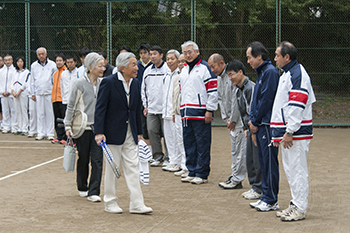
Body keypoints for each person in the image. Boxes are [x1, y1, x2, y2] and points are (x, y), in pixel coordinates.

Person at [94, 52, 153, 214]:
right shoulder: (108, 83)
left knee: (133, 167)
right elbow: (100, 109)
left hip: (130, 133)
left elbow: (135, 110)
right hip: (112, 134)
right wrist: (99, 132)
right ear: (122, 68)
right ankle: (110, 202)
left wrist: (139, 132)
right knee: (113, 169)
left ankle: (137, 203)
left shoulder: (135, 83)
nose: (137, 67)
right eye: (133, 64)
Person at [271, 41, 316, 221]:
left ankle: (300, 208)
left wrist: (290, 131)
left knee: (297, 170)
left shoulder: (298, 74)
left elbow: (297, 105)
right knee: (291, 169)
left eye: (277, 55)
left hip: (296, 133)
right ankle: (295, 203)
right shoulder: (289, 73)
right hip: (290, 133)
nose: (275, 59)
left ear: (287, 57)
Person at [64, 52, 104, 202]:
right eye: (100, 66)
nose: (103, 68)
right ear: (90, 67)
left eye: (103, 65)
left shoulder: (103, 83)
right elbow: (71, 106)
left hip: (98, 129)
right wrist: (68, 125)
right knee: (83, 158)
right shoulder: (79, 83)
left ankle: (94, 191)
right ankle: (82, 186)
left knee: (97, 160)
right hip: (82, 128)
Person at [246, 41, 280, 211]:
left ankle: (271, 199)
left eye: (250, 57)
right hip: (260, 124)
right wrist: (252, 121)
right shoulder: (261, 72)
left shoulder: (270, 72)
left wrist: (256, 121)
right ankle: (266, 196)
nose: (248, 61)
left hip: (267, 124)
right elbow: (256, 101)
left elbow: (267, 100)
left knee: (268, 163)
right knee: (263, 162)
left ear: (259, 56)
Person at [179, 41, 218, 185]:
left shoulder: (205, 68)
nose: (188, 55)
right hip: (186, 113)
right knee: (189, 143)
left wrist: (209, 109)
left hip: (201, 112)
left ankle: (202, 173)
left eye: (190, 52)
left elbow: (213, 91)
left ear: (197, 51)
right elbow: (182, 90)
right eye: (185, 52)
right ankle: (192, 170)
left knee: (202, 143)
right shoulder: (183, 69)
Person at [208, 53, 246, 189]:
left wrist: (234, 119)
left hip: (239, 121)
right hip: (230, 121)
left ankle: (238, 178)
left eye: (213, 67)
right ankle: (235, 176)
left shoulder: (231, 76)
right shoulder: (219, 79)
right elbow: (221, 99)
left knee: (240, 150)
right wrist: (226, 118)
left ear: (221, 63)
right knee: (235, 150)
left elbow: (237, 100)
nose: (212, 70)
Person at [226, 60, 262, 200]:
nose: (230, 78)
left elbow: (252, 111)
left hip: (255, 128)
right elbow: (242, 111)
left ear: (241, 72)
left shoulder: (250, 88)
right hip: (248, 128)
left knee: (256, 159)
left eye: (231, 74)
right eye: (228, 75)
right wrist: (246, 128)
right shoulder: (238, 89)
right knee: (249, 159)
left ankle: (259, 188)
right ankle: (254, 187)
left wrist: (252, 129)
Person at [141, 45, 170, 167]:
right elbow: (144, 89)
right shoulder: (147, 71)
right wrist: (145, 106)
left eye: (154, 54)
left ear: (161, 55)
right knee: (152, 131)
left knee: (168, 133)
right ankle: (157, 156)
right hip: (151, 109)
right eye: (151, 54)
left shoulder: (168, 69)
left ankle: (169, 157)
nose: (152, 56)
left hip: (165, 110)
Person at [161, 49, 183, 172]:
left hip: (175, 112)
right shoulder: (166, 75)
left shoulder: (179, 75)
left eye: (172, 59)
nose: (169, 61)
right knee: (169, 139)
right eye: (168, 59)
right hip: (165, 112)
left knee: (177, 139)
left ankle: (179, 163)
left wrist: (174, 110)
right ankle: (172, 160)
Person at [30, 47, 57, 140]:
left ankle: (50, 133)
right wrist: (32, 93)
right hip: (38, 93)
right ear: (37, 55)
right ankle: (40, 133)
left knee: (49, 113)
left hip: (49, 92)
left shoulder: (52, 64)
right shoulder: (33, 65)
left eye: (42, 54)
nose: (41, 56)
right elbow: (32, 80)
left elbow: (55, 80)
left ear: (46, 54)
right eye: (39, 54)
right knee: (40, 113)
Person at [172, 53, 188, 177]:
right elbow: (174, 96)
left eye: (184, 61)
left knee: (186, 140)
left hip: (186, 113)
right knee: (179, 140)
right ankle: (183, 165)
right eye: (180, 61)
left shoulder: (189, 76)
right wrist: (173, 112)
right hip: (177, 113)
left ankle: (189, 166)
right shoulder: (176, 77)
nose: (181, 64)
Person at [136, 42, 153, 154]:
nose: (143, 55)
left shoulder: (154, 65)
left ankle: (154, 150)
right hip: (139, 100)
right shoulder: (137, 65)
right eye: (141, 53)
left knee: (153, 127)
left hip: (152, 100)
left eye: (145, 53)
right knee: (142, 125)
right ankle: (146, 150)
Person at [11, 56, 30, 136]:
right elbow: (11, 83)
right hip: (15, 94)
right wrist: (13, 91)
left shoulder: (26, 72)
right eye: (18, 62)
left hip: (23, 93)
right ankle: (19, 128)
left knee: (23, 110)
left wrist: (19, 92)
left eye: (21, 61)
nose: (19, 63)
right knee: (17, 111)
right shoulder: (14, 72)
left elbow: (25, 83)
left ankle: (25, 128)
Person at [51, 53, 67, 144]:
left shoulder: (65, 72)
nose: (58, 62)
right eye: (57, 61)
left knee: (63, 118)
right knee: (56, 118)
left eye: (60, 60)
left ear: (64, 61)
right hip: (55, 99)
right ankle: (59, 136)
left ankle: (65, 136)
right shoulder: (55, 73)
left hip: (62, 99)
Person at [0, 55, 18, 134]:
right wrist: (2, 91)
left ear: (12, 61)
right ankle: (6, 126)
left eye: (9, 60)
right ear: (4, 61)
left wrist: (10, 91)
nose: (7, 62)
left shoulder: (14, 71)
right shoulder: (1, 71)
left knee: (13, 110)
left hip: (11, 94)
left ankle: (14, 126)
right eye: (6, 60)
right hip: (3, 94)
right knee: (5, 111)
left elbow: (14, 82)